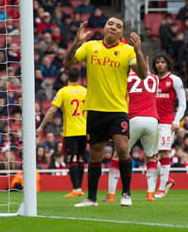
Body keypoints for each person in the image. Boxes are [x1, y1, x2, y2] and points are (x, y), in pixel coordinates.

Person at [64, 18, 148, 207]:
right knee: (95, 154)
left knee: (123, 147)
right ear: (104, 27)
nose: (114, 27)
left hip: (118, 109)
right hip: (94, 109)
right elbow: (68, 63)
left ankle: (126, 194)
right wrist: (77, 43)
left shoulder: (128, 51)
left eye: (118, 26)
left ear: (121, 33)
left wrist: (139, 51)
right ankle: (91, 198)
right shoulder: (90, 46)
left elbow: (143, 74)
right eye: (111, 24)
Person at [103, 64, 160, 203]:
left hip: (134, 118)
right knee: (151, 156)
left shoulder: (127, 78)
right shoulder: (155, 78)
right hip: (153, 119)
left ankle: (111, 195)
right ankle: (150, 193)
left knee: (119, 154)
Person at [37, 67, 87, 197]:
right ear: (79, 78)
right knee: (80, 158)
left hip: (71, 130)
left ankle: (76, 189)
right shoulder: (85, 91)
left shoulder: (63, 91)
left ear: (67, 77)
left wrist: (41, 126)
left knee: (72, 158)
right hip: (85, 130)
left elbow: (52, 111)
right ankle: (80, 188)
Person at [152, 54, 186, 198]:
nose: (160, 64)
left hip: (167, 122)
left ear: (167, 64)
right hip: (152, 121)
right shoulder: (151, 80)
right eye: (157, 62)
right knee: (150, 156)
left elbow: (182, 103)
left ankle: (161, 187)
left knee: (164, 152)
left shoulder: (175, 80)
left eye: (162, 62)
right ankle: (168, 180)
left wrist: (177, 121)